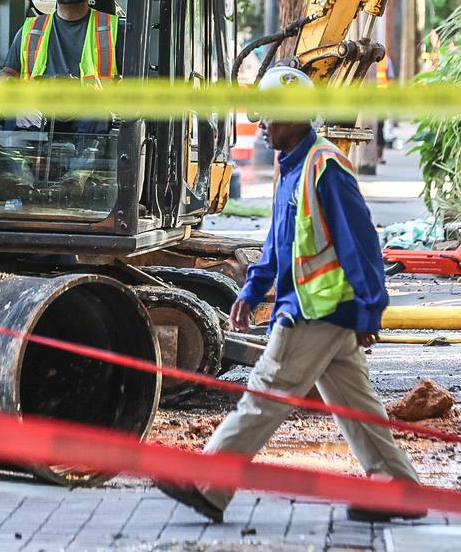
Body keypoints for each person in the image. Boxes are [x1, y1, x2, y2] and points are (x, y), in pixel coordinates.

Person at [156, 66, 423, 524]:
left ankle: (209, 484)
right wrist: (254, 287)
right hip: (325, 311)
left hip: (315, 312)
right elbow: (282, 240)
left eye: (271, 117)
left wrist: (370, 312)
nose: (261, 125)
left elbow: (361, 247)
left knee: (264, 393)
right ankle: (399, 489)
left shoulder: (325, 169)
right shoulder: (297, 165)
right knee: (356, 406)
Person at [0, 0, 119, 134]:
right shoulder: (31, 29)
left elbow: (134, 78)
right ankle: (25, 162)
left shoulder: (112, 28)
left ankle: (86, 162)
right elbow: (9, 72)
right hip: (38, 105)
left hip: (92, 105)